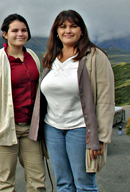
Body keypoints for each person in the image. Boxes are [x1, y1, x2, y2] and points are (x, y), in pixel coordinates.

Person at [29, 10, 115, 192]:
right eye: (63, 27)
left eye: (73, 26)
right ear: (56, 32)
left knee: (84, 185)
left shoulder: (95, 57)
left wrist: (99, 138)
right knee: (63, 184)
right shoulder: (51, 59)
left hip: (81, 129)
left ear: (82, 30)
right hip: (52, 129)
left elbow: (106, 100)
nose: (68, 30)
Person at [0, 14, 46, 192]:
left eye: (24, 30)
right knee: (6, 181)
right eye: (14, 30)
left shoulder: (33, 57)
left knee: (38, 180)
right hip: (4, 130)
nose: (20, 34)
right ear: (5, 34)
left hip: (30, 128)